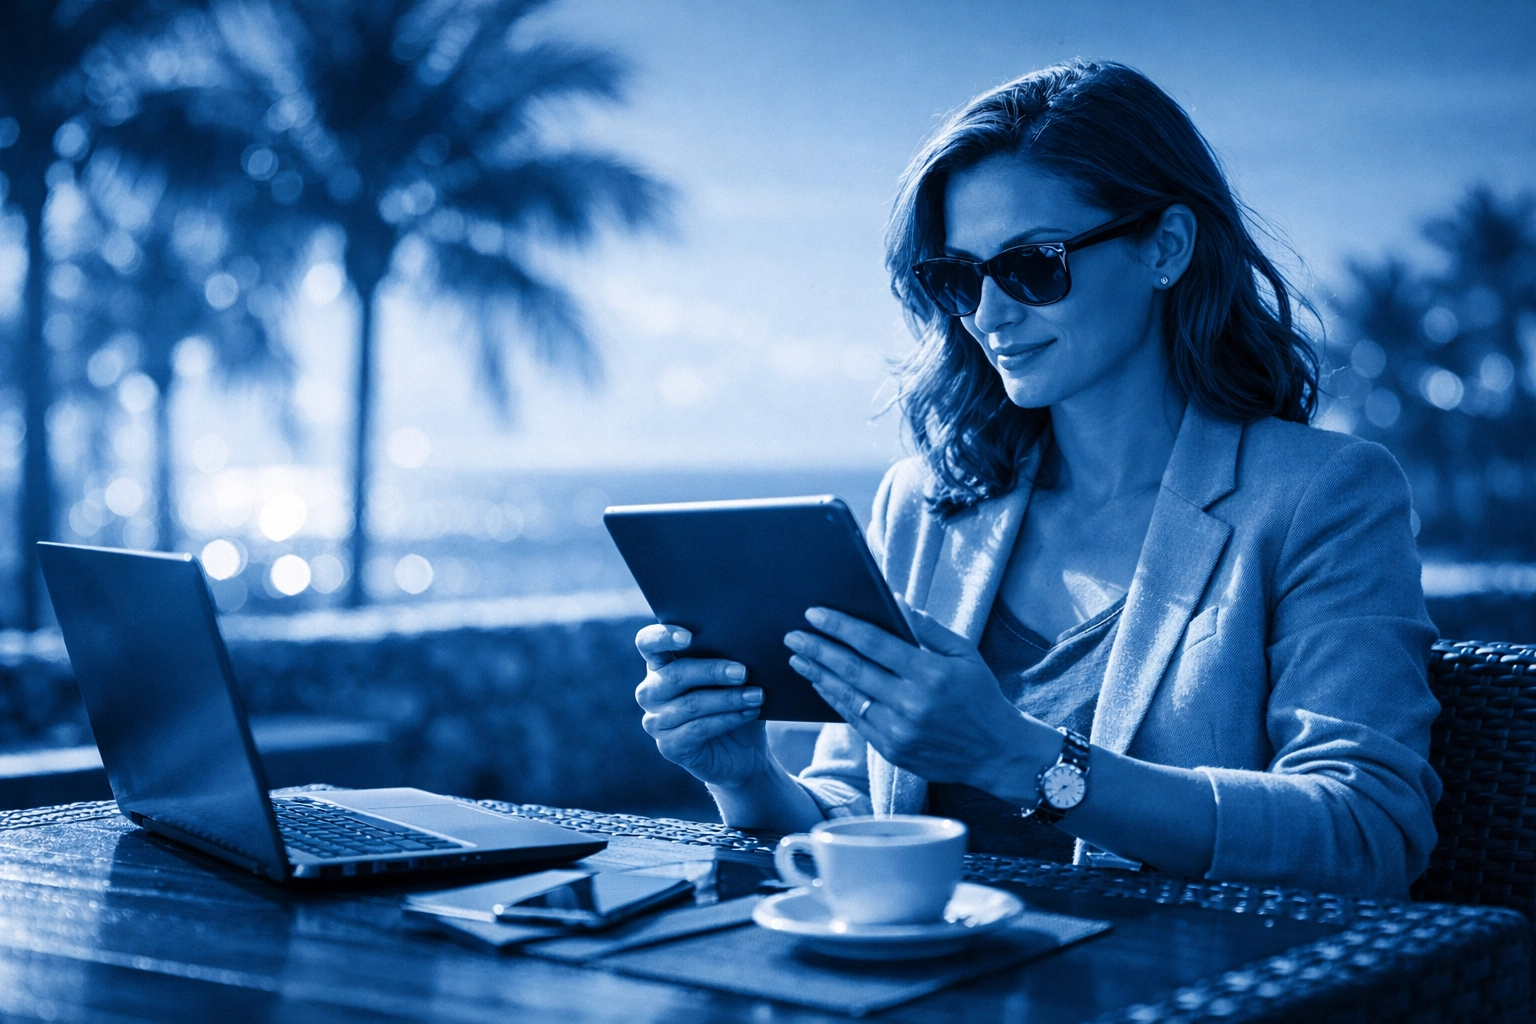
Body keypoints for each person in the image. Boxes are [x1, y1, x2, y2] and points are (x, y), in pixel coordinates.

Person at [633, 60, 1440, 898]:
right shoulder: (926, 505)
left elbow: (1366, 830)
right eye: (957, 278)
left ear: (1166, 245)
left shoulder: (1325, 495)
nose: (988, 314)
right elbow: (856, 814)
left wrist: (1018, 759)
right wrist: (744, 777)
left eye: (1033, 266)